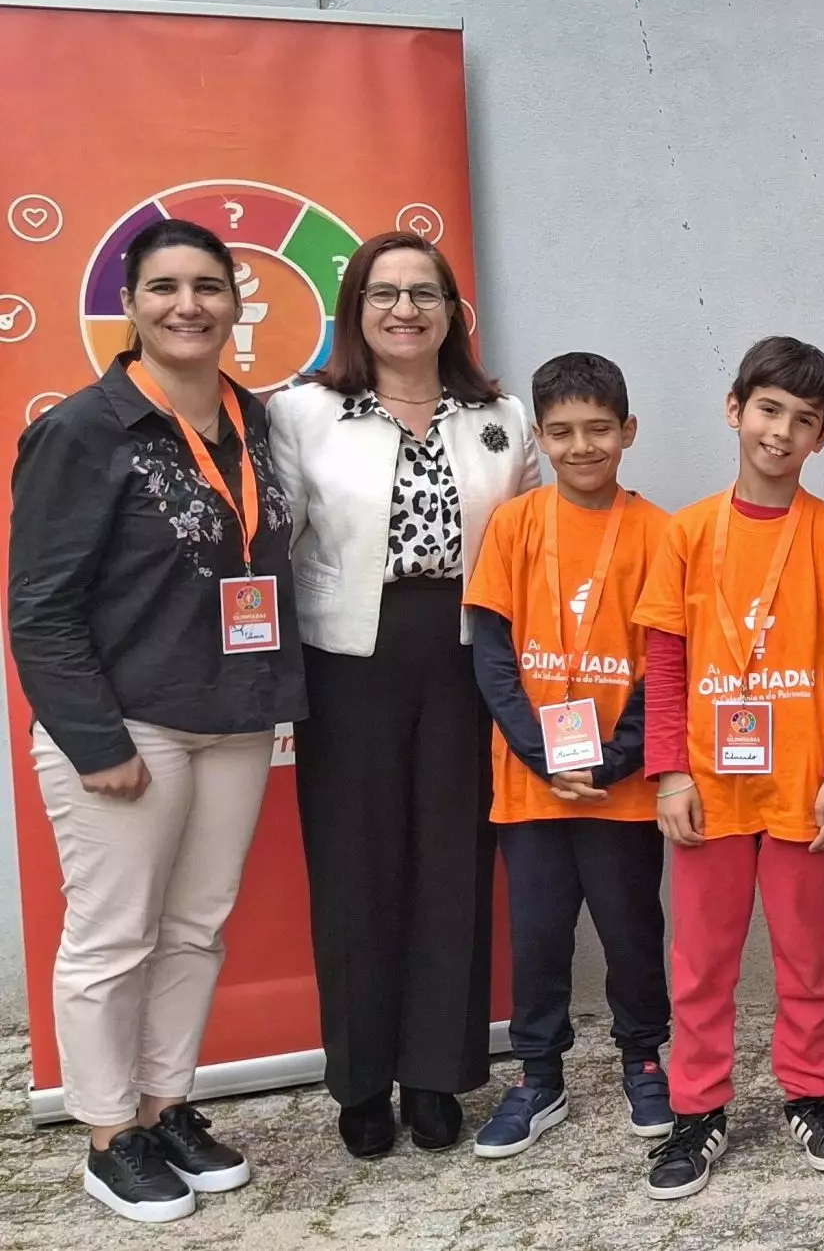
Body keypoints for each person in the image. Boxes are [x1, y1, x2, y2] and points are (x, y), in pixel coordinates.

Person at [9, 219, 303, 1222]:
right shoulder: (83, 430)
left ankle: (167, 1105)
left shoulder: (249, 419)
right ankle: (107, 1137)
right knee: (112, 938)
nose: (189, 305)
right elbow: (38, 607)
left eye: (209, 287)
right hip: (128, 727)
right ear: (130, 306)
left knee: (195, 930)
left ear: (235, 304)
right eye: (165, 287)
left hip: (232, 716)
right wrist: (95, 742)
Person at [267, 231, 540, 1157]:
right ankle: (359, 1080)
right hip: (349, 655)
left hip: (467, 652)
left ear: (451, 311)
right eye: (384, 293)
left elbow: (533, 545)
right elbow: (276, 545)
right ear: (355, 310)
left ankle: (436, 1072)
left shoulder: (498, 413)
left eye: (424, 293)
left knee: (454, 864)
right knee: (356, 869)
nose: (404, 309)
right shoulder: (303, 412)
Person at [631, 337, 824, 1198]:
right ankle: (697, 1109)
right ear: (734, 408)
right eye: (769, 409)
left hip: (804, 790)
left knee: (807, 957)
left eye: (803, 420)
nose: (781, 432)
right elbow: (663, 664)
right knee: (700, 960)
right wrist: (668, 770)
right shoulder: (687, 533)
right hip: (706, 787)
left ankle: (812, 1095)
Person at [461, 353, 673, 1157]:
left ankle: (644, 1060)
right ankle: (537, 1075)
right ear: (540, 439)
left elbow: (668, 665)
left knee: (630, 928)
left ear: (628, 431)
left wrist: (617, 758)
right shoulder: (515, 525)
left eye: (598, 429)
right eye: (562, 432)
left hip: (620, 787)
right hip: (532, 783)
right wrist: (540, 751)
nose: (582, 446)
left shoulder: (660, 532)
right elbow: (491, 650)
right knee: (539, 933)